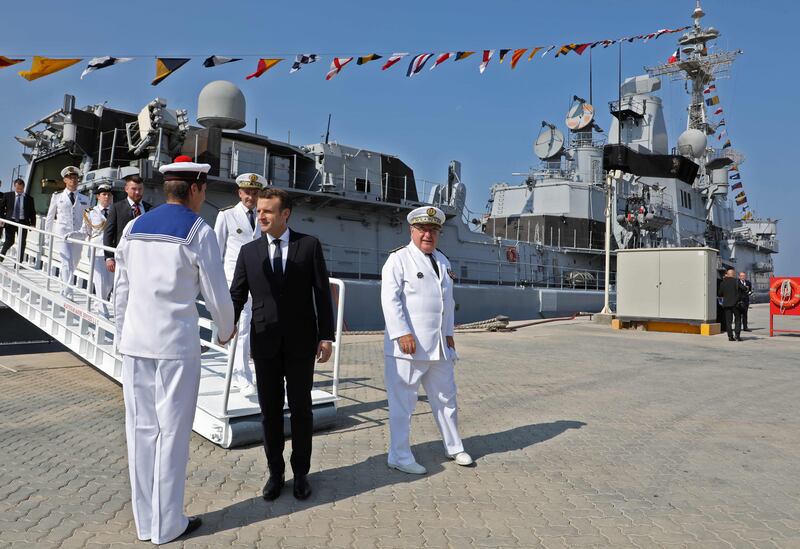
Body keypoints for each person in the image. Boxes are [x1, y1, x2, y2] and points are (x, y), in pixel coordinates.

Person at [113, 156, 235, 544]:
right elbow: (216, 291)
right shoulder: (200, 230)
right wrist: (225, 329)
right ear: (196, 188)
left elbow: (122, 290)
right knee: (172, 433)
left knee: (140, 431)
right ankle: (169, 525)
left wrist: (122, 334)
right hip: (176, 346)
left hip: (136, 343)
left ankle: (145, 523)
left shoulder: (133, 227)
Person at [229, 187, 335, 501]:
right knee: (270, 412)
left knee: (302, 410)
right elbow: (237, 295)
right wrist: (227, 324)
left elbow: (321, 294)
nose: (260, 216)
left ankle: (301, 473)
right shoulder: (249, 252)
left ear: (284, 214)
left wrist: (326, 336)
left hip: (302, 342)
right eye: (259, 210)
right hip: (264, 343)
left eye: (267, 211)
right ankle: (275, 473)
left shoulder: (308, 246)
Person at [380, 206, 472, 475]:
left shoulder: (443, 260)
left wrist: (449, 335)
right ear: (412, 230)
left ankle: (454, 447)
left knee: (446, 398)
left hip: (439, 347)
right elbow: (390, 298)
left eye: (433, 230)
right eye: (422, 229)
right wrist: (401, 333)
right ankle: (398, 455)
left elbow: (447, 302)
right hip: (407, 347)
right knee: (403, 404)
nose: (427, 234)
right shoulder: (398, 259)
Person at [214, 172, 263, 397]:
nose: (250, 197)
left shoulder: (263, 216)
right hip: (235, 280)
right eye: (247, 192)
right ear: (239, 192)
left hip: (261, 280)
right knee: (242, 327)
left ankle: (242, 370)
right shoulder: (226, 216)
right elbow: (216, 251)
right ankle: (242, 376)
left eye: (254, 192)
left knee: (256, 327)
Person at [45, 167, 90, 298]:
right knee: (66, 261)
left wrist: (87, 233)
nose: (74, 180)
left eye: (76, 178)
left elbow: (88, 218)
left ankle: (63, 282)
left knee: (75, 261)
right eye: (70, 178)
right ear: (65, 180)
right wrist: (48, 237)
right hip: (62, 234)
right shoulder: (57, 196)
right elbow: (50, 217)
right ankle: (68, 291)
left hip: (78, 234)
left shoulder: (85, 199)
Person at [104, 168, 151, 274]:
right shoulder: (116, 208)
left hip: (144, 256)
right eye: (134, 189)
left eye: (140, 189)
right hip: (123, 256)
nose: (138, 192)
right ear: (126, 189)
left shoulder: (149, 209)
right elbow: (108, 233)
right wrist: (109, 257)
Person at [82, 184, 114, 316]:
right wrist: (74, 235)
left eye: (109, 195)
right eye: (104, 194)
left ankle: (98, 301)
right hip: (97, 250)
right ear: (98, 197)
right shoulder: (90, 212)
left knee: (109, 282)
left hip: (111, 250)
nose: (107, 197)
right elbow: (86, 231)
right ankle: (102, 309)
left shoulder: (115, 211)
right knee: (100, 280)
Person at [1, 178, 36, 263]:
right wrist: (1, 219)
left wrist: (33, 224)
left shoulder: (29, 198)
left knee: (22, 243)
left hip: (23, 222)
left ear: (23, 187)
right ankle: (1, 255)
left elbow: (32, 212)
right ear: (14, 187)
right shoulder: (7, 195)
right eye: (17, 188)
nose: (19, 190)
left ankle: (19, 263)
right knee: (9, 241)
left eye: (21, 189)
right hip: (10, 221)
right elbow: (1, 208)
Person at [718, 268, 745, 342]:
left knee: (728, 321)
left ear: (727, 274)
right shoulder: (737, 281)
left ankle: (730, 337)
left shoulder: (723, 283)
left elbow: (720, 293)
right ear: (733, 274)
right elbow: (744, 289)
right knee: (738, 320)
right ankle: (737, 336)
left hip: (726, 304)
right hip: (736, 304)